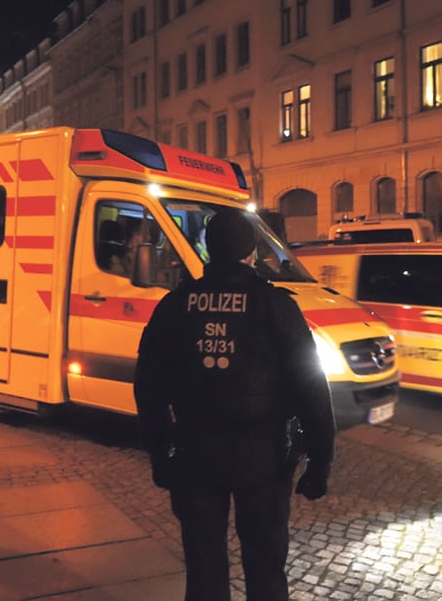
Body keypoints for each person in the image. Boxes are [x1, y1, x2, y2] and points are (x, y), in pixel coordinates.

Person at [134, 209, 336, 601]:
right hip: (263, 457)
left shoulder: (176, 305)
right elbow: (312, 389)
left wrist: (160, 455)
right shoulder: (276, 306)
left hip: (196, 453)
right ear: (251, 253)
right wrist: (320, 463)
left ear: (209, 250)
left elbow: (148, 387)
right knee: (266, 566)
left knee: (205, 565)